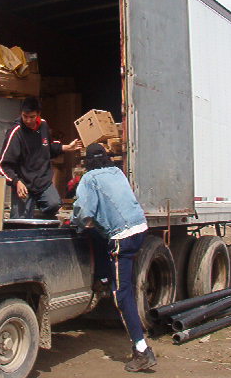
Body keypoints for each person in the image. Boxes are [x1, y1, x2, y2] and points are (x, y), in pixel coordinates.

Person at [72, 143, 156, 373]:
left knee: (123, 295)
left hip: (122, 237)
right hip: (140, 228)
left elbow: (85, 212)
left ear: (87, 162)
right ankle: (104, 278)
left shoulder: (89, 179)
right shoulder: (117, 172)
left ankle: (141, 350)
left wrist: (73, 223)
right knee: (97, 233)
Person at [0, 96, 82, 220]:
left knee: (54, 204)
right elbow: (3, 165)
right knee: (20, 222)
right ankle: (28, 212)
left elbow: (47, 147)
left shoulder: (43, 125)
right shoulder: (16, 132)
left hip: (43, 182)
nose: (27, 120)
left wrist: (66, 147)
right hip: (23, 184)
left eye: (31, 117)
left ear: (38, 114)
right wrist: (16, 182)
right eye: (24, 116)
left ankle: (37, 213)